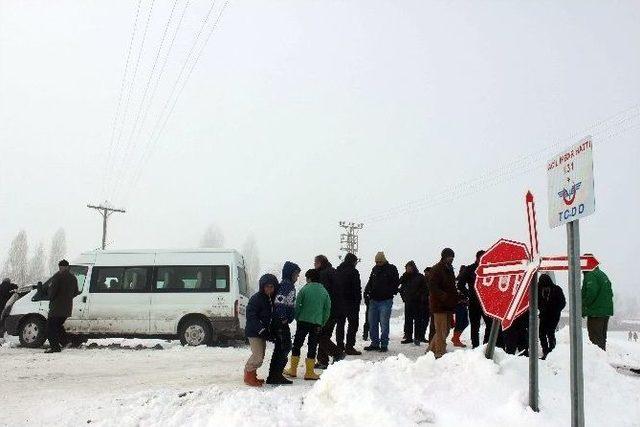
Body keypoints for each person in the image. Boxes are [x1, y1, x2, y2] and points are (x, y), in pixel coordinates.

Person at [284, 269, 331, 380]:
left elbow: (297, 305)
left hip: (303, 321)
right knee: (312, 346)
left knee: (297, 344)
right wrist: (322, 321)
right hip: (316, 323)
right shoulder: (324, 291)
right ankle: (309, 372)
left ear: (309, 278)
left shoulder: (305, 289)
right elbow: (327, 309)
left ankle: (293, 370)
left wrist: (298, 317)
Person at [267, 261, 300, 385]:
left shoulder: (288, 284)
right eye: (296, 274)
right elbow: (279, 301)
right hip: (280, 322)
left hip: (280, 321)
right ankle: (275, 375)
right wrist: (283, 317)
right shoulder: (287, 285)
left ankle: (274, 375)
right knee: (284, 347)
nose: (297, 277)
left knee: (280, 348)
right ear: (290, 273)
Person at [244, 274, 278, 387]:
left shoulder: (271, 299)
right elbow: (251, 316)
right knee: (258, 356)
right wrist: (261, 329)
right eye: (267, 286)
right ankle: (249, 376)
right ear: (262, 286)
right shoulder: (256, 298)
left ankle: (251, 374)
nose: (269, 289)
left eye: (271, 287)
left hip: (261, 333)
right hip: (254, 332)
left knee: (260, 355)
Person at [363, 252, 399, 352]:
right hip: (374, 300)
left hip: (386, 301)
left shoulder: (392, 268)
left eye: (379, 262)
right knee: (372, 323)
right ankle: (374, 343)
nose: (377, 263)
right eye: (376, 262)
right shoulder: (374, 269)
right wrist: (366, 293)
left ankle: (384, 344)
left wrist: (390, 292)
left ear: (384, 260)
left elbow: (396, 282)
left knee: (384, 323)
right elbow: (370, 282)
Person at [315, 255, 346, 368]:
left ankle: (337, 354)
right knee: (325, 335)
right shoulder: (334, 271)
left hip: (328, 310)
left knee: (320, 336)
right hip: (337, 309)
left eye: (315, 263)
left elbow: (323, 294)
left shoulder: (323, 274)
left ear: (319, 263)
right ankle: (322, 361)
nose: (314, 265)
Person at [426, 248, 458, 359]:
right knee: (440, 330)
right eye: (449, 257)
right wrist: (443, 296)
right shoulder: (436, 269)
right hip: (439, 305)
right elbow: (432, 286)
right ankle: (440, 353)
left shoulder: (450, 269)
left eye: (452, 257)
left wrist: (457, 297)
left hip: (448, 305)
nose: (451, 259)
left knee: (446, 329)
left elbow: (452, 287)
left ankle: (430, 350)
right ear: (444, 257)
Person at [461, 250, 493, 348]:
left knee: (490, 324)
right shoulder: (470, 269)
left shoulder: (489, 269)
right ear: (477, 258)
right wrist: (469, 294)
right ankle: (475, 347)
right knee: (475, 326)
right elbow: (460, 284)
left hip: (486, 303)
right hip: (474, 303)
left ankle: (485, 345)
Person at [45, 260, 78, 353]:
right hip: (67, 308)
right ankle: (65, 342)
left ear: (61, 267)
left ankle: (55, 347)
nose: (60, 268)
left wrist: (49, 296)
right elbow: (76, 292)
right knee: (58, 326)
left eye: (60, 267)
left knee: (49, 328)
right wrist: (68, 298)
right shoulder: (73, 278)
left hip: (56, 308)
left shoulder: (57, 276)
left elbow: (52, 292)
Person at [334, 253, 363, 355]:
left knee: (340, 324)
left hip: (339, 302)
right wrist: (358, 301)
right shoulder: (354, 272)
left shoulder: (337, 271)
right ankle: (349, 347)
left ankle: (339, 346)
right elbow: (356, 288)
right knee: (353, 324)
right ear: (353, 261)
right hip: (351, 303)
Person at [582, 262, 614, 351]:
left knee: (594, 338)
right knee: (601, 337)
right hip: (605, 311)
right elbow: (610, 293)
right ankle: (602, 359)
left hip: (595, 312)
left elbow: (591, 293)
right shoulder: (602, 274)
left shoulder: (591, 275)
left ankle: (598, 361)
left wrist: (583, 305)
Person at [538, 273, 566, 358]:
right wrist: (541, 308)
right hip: (544, 315)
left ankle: (551, 351)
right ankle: (546, 351)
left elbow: (562, 303)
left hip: (553, 316)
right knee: (543, 334)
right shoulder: (538, 289)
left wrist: (555, 310)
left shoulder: (556, 289)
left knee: (549, 333)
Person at [399, 261, 427, 346]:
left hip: (417, 302)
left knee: (418, 321)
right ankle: (408, 337)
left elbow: (425, 289)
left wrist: (420, 297)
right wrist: (404, 298)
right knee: (408, 320)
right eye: (407, 268)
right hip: (408, 302)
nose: (408, 269)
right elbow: (400, 287)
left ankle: (417, 338)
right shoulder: (405, 277)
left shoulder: (420, 277)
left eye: (410, 267)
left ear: (413, 267)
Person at [452, 265, 470, 348]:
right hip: (458, 305)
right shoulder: (457, 281)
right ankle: (456, 339)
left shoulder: (465, 281)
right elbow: (457, 293)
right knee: (460, 322)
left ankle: (455, 338)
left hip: (463, 304)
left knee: (465, 322)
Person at [424, 267, 435, 342]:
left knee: (433, 323)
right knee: (425, 321)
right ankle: (422, 335)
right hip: (425, 303)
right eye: (425, 273)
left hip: (432, 303)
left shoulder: (433, 280)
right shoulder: (424, 280)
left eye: (427, 272)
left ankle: (431, 339)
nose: (426, 274)